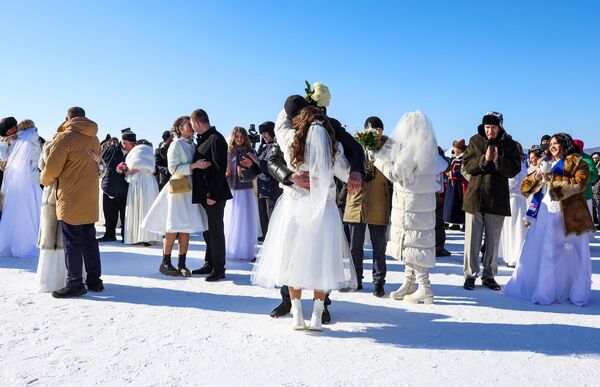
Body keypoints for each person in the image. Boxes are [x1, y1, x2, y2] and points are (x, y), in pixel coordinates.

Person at [251, 105, 356, 331]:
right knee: (322, 262)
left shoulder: (291, 142)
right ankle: (317, 315)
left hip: (295, 208)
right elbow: (347, 175)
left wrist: (295, 104)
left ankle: (297, 314)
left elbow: (280, 122)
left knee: (291, 260)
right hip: (323, 212)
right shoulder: (333, 148)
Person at [504, 133, 594, 306]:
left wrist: (553, 180)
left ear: (565, 144)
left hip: (569, 213)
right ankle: (543, 287)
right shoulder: (544, 162)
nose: (552, 146)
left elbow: (580, 183)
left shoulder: (577, 161)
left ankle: (569, 289)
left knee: (566, 251)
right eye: (550, 143)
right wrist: (537, 178)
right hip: (544, 211)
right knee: (543, 248)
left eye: (556, 143)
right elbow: (526, 187)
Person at [374, 111, 447, 304]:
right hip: (422, 205)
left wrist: (376, 158)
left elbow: (395, 173)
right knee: (413, 244)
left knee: (414, 243)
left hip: (410, 206)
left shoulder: (410, 149)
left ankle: (425, 287)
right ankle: (409, 282)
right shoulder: (429, 149)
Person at [40, 107, 103, 298]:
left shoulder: (65, 137)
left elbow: (52, 169)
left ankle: (75, 282)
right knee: (89, 239)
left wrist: (44, 181)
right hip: (90, 196)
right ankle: (94, 280)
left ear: (67, 118)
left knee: (72, 241)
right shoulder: (94, 138)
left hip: (70, 196)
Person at [141, 116, 210, 276]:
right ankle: (165, 262)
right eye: (187, 124)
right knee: (173, 227)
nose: (191, 126)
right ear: (179, 128)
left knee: (185, 228)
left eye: (191, 124)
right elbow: (172, 169)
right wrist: (194, 166)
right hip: (178, 190)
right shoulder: (176, 144)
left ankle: (182, 264)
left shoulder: (192, 144)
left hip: (190, 189)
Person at [462, 112, 521, 291]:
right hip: (475, 197)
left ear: (500, 127)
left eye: (493, 127)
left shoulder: (510, 144)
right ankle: (470, 275)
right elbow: (466, 165)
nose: (490, 131)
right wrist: (484, 159)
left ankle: (489, 275)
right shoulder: (475, 141)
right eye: (487, 127)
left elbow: (514, 169)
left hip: (497, 198)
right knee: (472, 239)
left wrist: (498, 161)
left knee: (493, 241)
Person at [343, 116, 390, 297]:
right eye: (372, 130)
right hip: (357, 200)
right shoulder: (355, 146)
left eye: (378, 130)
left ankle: (379, 282)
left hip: (379, 199)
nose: (375, 134)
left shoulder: (389, 148)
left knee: (379, 246)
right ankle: (356, 279)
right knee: (355, 246)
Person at [190, 109, 232, 281]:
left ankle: (219, 268)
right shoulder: (204, 138)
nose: (191, 127)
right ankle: (209, 263)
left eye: (192, 124)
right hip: (204, 194)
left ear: (197, 123)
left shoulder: (216, 139)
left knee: (216, 231)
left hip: (214, 194)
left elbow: (219, 169)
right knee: (208, 231)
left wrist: (212, 194)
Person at [0, 119, 42, 258]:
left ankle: (12, 241)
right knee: (32, 210)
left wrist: (6, 142)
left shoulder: (19, 140)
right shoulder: (29, 139)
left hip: (19, 181)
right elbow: (36, 159)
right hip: (28, 180)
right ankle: (32, 240)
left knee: (17, 211)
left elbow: (5, 158)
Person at [223, 126, 260, 260]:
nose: (239, 139)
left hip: (246, 190)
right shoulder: (228, 152)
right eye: (237, 136)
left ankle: (246, 251)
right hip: (231, 189)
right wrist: (226, 174)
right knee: (231, 220)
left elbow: (258, 171)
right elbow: (224, 171)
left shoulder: (251, 151)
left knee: (245, 221)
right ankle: (232, 249)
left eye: (241, 137)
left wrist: (250, 164)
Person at [97, 129, 137, 242]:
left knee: (126, 215)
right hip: (109, 186)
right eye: (132, 143)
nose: (134, 145)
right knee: (109, 214)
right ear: (124, 142)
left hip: (125, 188)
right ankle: (109, 234)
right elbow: (101, 163)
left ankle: (126, 236)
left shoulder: (134, 153)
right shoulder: (111, 149)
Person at [123, 140, 162, 245]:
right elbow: (153, 169)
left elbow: (130, 168)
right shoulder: (149, 152)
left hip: (136, 182)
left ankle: (134, 236)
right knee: (148, 208)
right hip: (149, 182)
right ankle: (148, 236)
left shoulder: (132, 153)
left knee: (135, 207)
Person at [498, 142, 529, 268]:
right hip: (516, 199)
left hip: (513, 199)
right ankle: (511, 255)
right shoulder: (521, 164)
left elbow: (512, 182)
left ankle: (514, 257)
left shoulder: (516, 166)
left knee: (514, 229)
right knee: (514, 228)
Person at [255, 121, 282, 241]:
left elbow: (271, 168)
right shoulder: (263, 147)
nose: (264, 136)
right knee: (262, 214)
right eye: (262, 134)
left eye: (265, 133)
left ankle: (273, 239)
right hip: (261, 186)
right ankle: (266, 237)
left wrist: (256, 161)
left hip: (273, 187)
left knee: (271, 214)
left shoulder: (278, 147)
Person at [572, 139, 598, 240]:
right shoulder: (568, 158)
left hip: (585, 195)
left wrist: (584, 180)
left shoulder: (588, 159)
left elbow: (594, 175)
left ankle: (586, 241)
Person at [443, 139, 468, 228]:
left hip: (459, 185)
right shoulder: (453, 158)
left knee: (459, 203)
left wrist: (452, 173)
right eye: (455, 148)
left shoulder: (464, 159)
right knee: (451, 204)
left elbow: (464, 171)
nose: (455, 149)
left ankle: (461, 223)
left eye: (457, 148)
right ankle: (453, 222)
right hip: (451, 184)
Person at [0, 116, 19, 193]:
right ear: (7, 132)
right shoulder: (2, 142)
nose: (16, 128)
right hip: (3, 175)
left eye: (15, 126)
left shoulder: (18, 137)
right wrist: (6, 142)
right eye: (12, 127)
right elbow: (4, 158)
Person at [592, 152, 600, 228]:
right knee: (593, 206)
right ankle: (595, 222)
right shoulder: (590, 166)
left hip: (598, 188)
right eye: (593, 158)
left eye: (597, 158)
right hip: (592, 188)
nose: (595, 160)